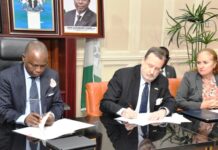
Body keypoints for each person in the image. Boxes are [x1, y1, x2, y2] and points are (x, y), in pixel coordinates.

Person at [100, 47, 175, 122]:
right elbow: (105, 103)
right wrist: (123, 111)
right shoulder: (123, 76)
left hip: (151, 127)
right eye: (150, 66)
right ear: (142, 61)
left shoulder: (162, 80)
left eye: (157, 69)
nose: (152, 72)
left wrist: (163, 111)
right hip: (124, 127)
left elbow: (170, 101)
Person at [0, 40, 64, 127]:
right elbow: (3, 109)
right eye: (34, 65)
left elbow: (58, 104)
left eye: (43, 66)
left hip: (44, 129)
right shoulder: (6, 77)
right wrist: (24, 118)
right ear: (23, 58)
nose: (38, 70)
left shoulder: (52, 75)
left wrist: (51, 116)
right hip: (17, 128)